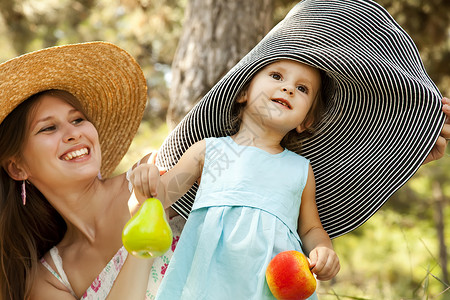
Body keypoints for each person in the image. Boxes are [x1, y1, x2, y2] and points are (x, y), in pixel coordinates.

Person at [131, 59, 340, 299]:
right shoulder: (210, 152)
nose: (289, 88)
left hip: (272, 287)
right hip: (206, 284)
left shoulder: (299, 169)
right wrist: (146, 178)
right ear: (243, 92)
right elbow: (161, 195)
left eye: (302, 89)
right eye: (276, 76)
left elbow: (311, 227)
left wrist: (323, 249)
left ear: (306, 121)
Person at [0, 42, 184, 300]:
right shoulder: (50, 279)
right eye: (48, 128)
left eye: (78, 119)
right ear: (18, 168)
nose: (74, 133)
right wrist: (143, 236)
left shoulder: (151, 174)